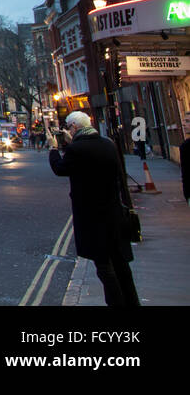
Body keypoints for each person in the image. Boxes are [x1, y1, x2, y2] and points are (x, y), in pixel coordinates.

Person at [48, 111, 139, 307]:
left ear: (74, 127)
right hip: (114, 213)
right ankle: (132, 303)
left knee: (104, 267)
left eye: (68, 127)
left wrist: (53, 148)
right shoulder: (108, 144)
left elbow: (60, 168)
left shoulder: (77, 150)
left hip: (92, 217)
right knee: (121, 265)